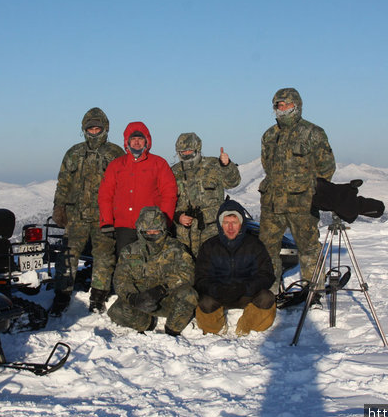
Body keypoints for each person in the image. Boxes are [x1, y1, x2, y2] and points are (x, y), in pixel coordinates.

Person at [259, 87, 336, 295]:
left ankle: (314, 293)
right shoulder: (269, 135)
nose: (282, 109)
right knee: (267, 250)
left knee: (309, 249)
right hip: (272, 204)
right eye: (278, 105)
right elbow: (267, 164)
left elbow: (326, 167)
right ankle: (271, 292)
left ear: (297, 105)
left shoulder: (313, 133)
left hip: (302, 204)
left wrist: (309, 190)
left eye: (286, 104)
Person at [50, 107, 124, 315]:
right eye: (90, 128)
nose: (94, 131)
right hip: (76, 216)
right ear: (84, 129)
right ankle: (62, 296)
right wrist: (59, 206)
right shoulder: (73, 152)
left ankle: (98, 297)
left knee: (104, 256)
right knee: (68, 255)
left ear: (105, 128)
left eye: (97, 127)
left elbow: (125, 184)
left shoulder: (115, 153)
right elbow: (64, 181)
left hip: (105, 215)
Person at [107, 206, 198, 336]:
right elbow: (120, 279)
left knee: (189, 295)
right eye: (147, 232)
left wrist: (162, 289)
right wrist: (134, 298)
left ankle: (172, 330)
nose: (152, 235)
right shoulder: (129, 251)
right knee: (117, 311)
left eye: (156, 231)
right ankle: (147, 324)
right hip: (142, 301)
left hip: (169, 300)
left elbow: (188, 274)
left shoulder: (177, 248)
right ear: (140, 230)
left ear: (164, 230)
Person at [194, 199, 276, 335]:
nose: (230, 228)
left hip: (246, 294)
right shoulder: (209, 246)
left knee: (267, 298)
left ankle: (248, 327)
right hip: (219, 295)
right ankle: (215, 329)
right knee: (205, 302)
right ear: (220, 224)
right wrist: (217, 289)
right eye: (226, 223)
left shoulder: (254, 245)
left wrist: (245, 288)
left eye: (234, 222)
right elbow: (201, 278)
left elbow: (266, 275)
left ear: (242, 223)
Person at [98, 121, 178, 257]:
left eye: (140, 139)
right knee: (126, 265)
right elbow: (105, 194)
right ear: (127, 142)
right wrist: (106, 222)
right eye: (133, 139)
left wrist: (165, 222)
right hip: (124, 227)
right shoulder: (116, 165)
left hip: (152, 228)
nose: (136, 142)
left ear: (147, 141)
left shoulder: (159, 164)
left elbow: (169, 194)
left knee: (153, 265)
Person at [171, 132, 241, 257]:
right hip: (184, 232)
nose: (186, 154)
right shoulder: (174, 171)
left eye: (190, 150)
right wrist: (177, 216)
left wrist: (226, 165)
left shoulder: (213, 165)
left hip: (211, 229)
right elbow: (167, 199)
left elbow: (233, 182)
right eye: (183, 152)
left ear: (197, 148)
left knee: (212, 264)